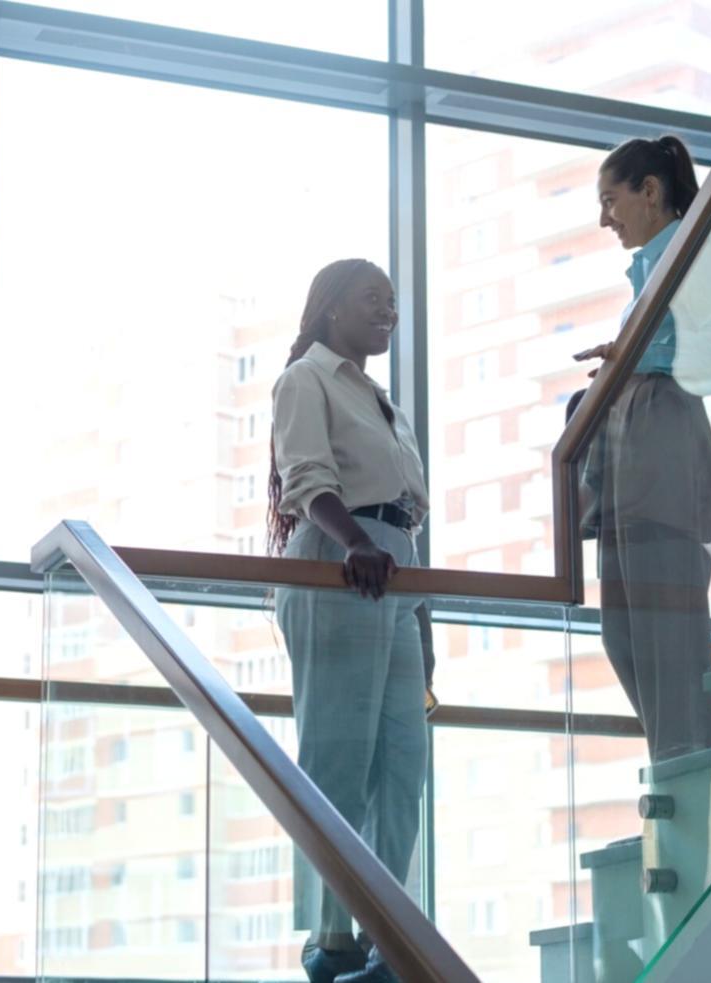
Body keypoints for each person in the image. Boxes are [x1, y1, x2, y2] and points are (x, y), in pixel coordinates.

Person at [268, 259, 430, 983]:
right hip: (340, 560)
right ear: (332, 307)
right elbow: (307, 478)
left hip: (393, 570)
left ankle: (384, 936)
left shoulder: (380, 400)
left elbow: (407, 515)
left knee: (402, 764)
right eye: (373, 299)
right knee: (339, 758)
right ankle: (331, 941)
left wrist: (423, 626)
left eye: (392, 302)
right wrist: (357, 543)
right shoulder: (306, 378)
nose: (388, 311)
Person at [572, 135, 711, 763]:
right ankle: (675, 759)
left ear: (650, 192)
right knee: (624, 632)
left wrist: (641, 356)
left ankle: (687, 765)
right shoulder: (649, 273)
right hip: (634, 453)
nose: (605, 219)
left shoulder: (690, 253)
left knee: (664, 631)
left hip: (665, 447)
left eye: (610, 200)